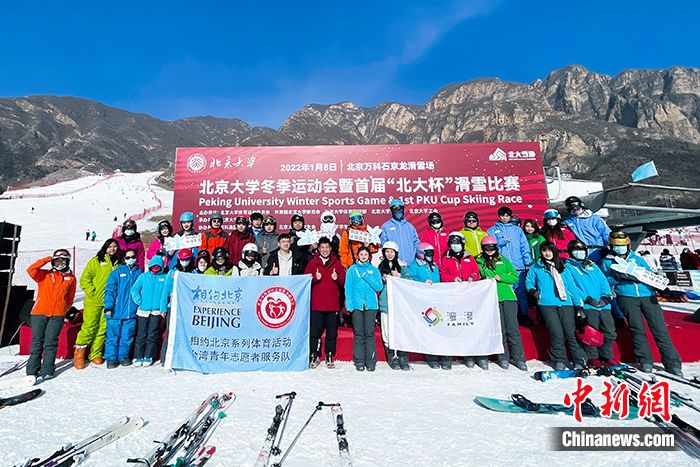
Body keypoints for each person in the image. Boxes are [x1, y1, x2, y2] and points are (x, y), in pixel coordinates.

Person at [599, 232, 683, 375]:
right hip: (627, 297)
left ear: (628, 245)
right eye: (617, 246)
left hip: (647, 295)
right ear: (612, 246)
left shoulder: (637, 259)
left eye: (623, 246)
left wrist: (659, 285)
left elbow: (649, 274)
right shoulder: (607, 261)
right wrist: (617, 277)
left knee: (660, 329)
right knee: (637, 329)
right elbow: (604, 281)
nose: (620, 248)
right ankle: (645, 360)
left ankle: (672, 363)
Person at [525, 241, 587, 371]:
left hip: (566, 303)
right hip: (547, 304)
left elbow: (572, 288)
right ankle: (559, 360)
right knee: (556, 332)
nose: (547, 253)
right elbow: (529, 282)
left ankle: (579, 360)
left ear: (554, 251)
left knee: (570, 333)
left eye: (550, 250)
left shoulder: (564, 267)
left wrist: (578, 306)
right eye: (544, 250)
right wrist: (535, 293)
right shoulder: (536, 267)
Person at [476, 236, 527, 371]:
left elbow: (515, 277)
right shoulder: (479, 261)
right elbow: (475, 277)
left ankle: (519, 358)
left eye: (492, 247)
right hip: (491, 299)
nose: (490, 250)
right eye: (487, 247)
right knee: (500, 329)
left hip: (508, 296)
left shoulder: (503, 260)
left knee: (512, 328)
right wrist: (483, 279)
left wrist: (502, 277)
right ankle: (503, 357)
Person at [26, 250, 77, 381]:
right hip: (39, 312)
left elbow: (70, 298)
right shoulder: (45, 275)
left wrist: (63, 309)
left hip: (57, 315)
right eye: (57, 261)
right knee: (37, 341)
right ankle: (32, 370)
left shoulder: (71, 278)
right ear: (53, 262)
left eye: (63, 261)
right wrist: (48, 258)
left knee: (51, 342)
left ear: (67, 261)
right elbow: (31, 269)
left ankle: (47, 370)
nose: (60, 263)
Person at [565, 239, 617, 367]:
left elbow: (604, 282)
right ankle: (592, 357)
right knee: (590, 332)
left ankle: (606, 356)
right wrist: (587, 299)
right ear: (571, 252)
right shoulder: (568, 267)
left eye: (582, 250)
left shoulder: (593, 266)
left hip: (603, 305)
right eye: (576, 251)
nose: (580, 253)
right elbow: (571, 286)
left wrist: (606, 297)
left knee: (609, 332)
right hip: (588, 304)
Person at [439, 232, 482, 369]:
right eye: (453, 243)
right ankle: (447, 357)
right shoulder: (445, 258)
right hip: (452, 296)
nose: (455, 246)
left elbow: (476, 272)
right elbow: (441, 273)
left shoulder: (469, 257)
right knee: (451, 326)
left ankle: (470, 355)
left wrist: (472, 277)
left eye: (458, 243)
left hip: (468, 296)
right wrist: (452, 278)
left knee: (468, 325)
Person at [75, 239, 120, 369]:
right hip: (94, 301)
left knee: (102, 329)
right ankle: (79, 353)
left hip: (109, 303)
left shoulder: (119, 263)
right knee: (89, 327)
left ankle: (95, 353)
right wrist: (92, 291)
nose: (112, 249)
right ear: (105, 248)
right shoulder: (96, 261)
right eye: (110, 246)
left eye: (115, 246)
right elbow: (85, 279)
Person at [304, 236, 346, 368]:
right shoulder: (312, 263)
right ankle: (314, 355)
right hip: (316, 304)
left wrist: (337, 278)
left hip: (332, 304)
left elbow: (343, 282)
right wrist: (315, 279)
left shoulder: (336, 263)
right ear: (318, 248)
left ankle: (329, 354)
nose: (324, 250)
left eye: (327, 247)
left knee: (331, 332)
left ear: (331, 248)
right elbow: (305, 281)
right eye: (322, 247)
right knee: (315, 332)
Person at [487, 206, 532, 325]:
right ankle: (506, 317)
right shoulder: (492, 230)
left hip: (518, 265)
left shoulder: (517, 230)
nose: (505, 218)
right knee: (505, 293)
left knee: (520, 291)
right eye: (502, 216)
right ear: (499, 216)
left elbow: (524, 246)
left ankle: (523, 315)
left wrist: (527, 261)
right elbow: (488, 247)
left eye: (507, 216)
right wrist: (500, 243)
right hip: (501, 267)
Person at [409, 243, 450, 370]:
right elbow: (409, 281)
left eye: (432, 254)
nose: (430, 256)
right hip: (422, 301)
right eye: (428, 254)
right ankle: (431, 357)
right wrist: (422, 283)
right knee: (428, 328)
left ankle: (444, 356)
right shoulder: (414, 266)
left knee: (441, 328)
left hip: (436, 299)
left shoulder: (434, 265)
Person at [345, 246, 383, 371]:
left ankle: (371, 362)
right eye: (361, 254)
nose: (363, 256)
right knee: (359, 334)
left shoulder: (373, 270)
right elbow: (348, 288)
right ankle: (359, 361)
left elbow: (378, 286)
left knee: (369, 333)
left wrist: (367, 276)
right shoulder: (352, 269)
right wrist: (349, 305)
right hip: (357, 306)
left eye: (365, 254)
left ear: (369, 256)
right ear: (358, 255)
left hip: (371, 306)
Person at [103, 248, 142, 369]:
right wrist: (109, 306)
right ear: (124, 259)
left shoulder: (139, 272)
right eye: (128, 257)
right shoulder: (116, 273)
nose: (131, 259)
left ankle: (123, 356)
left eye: (133, 257)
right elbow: (109, 290)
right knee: (112, 336)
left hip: (131, 312)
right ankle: (111, 358)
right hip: (115, 311)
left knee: (127, 336)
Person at [377, 241, 413, 371]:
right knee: (386, 331)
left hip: (399, 304)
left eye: (391, 251)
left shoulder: (402, 266)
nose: (389, 254)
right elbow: (376, 284)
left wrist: (399, 277)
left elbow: (410, 282)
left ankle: (402, 356)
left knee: (400, 329)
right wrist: (382, 279)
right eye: (387, 251)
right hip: (386, 303)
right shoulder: (380, 266)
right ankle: (391, 355)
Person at [158, 249, 196, 364]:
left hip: (186, 307)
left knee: (184, 332)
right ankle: (165, 358)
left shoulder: (193, 273)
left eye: (187, 259)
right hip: (173, 306)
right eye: (183, 259)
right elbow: (165, 291)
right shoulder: (172, 272)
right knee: (170, 331)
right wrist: (163, 308)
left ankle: (182, 357)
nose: (185, 262)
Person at [131, 255, 168, 366]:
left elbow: (166, 294)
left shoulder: (164, 278)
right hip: (143, 310)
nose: (155, 269)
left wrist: (163, 308)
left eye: (158, 267)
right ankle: (138, 356)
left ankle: (149, 355)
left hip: (156, 311)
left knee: (152, 334)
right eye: (153, 266)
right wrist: (139, 301)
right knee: (141, 334)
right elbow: (134, 289)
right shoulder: (144, 276)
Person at [562, 196, 611, 261]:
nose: (575, 210)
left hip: (598, 250)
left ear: (581, 206)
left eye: (577, 207)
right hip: (581, 252)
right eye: (572, 208)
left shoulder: (594, 219)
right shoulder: (568, 223)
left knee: (600, 269)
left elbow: (606, 234)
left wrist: (611, 246)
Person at [380, 199, 419, 265]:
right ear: (391, 211)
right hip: (394, 264)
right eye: (394, 209)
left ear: (403, 210)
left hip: (410, 263)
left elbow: (416, 243)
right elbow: (383, 244)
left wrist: (413, 257)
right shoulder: (386, 226)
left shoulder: (409, 226)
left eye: (399, 209)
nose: (397, 211)